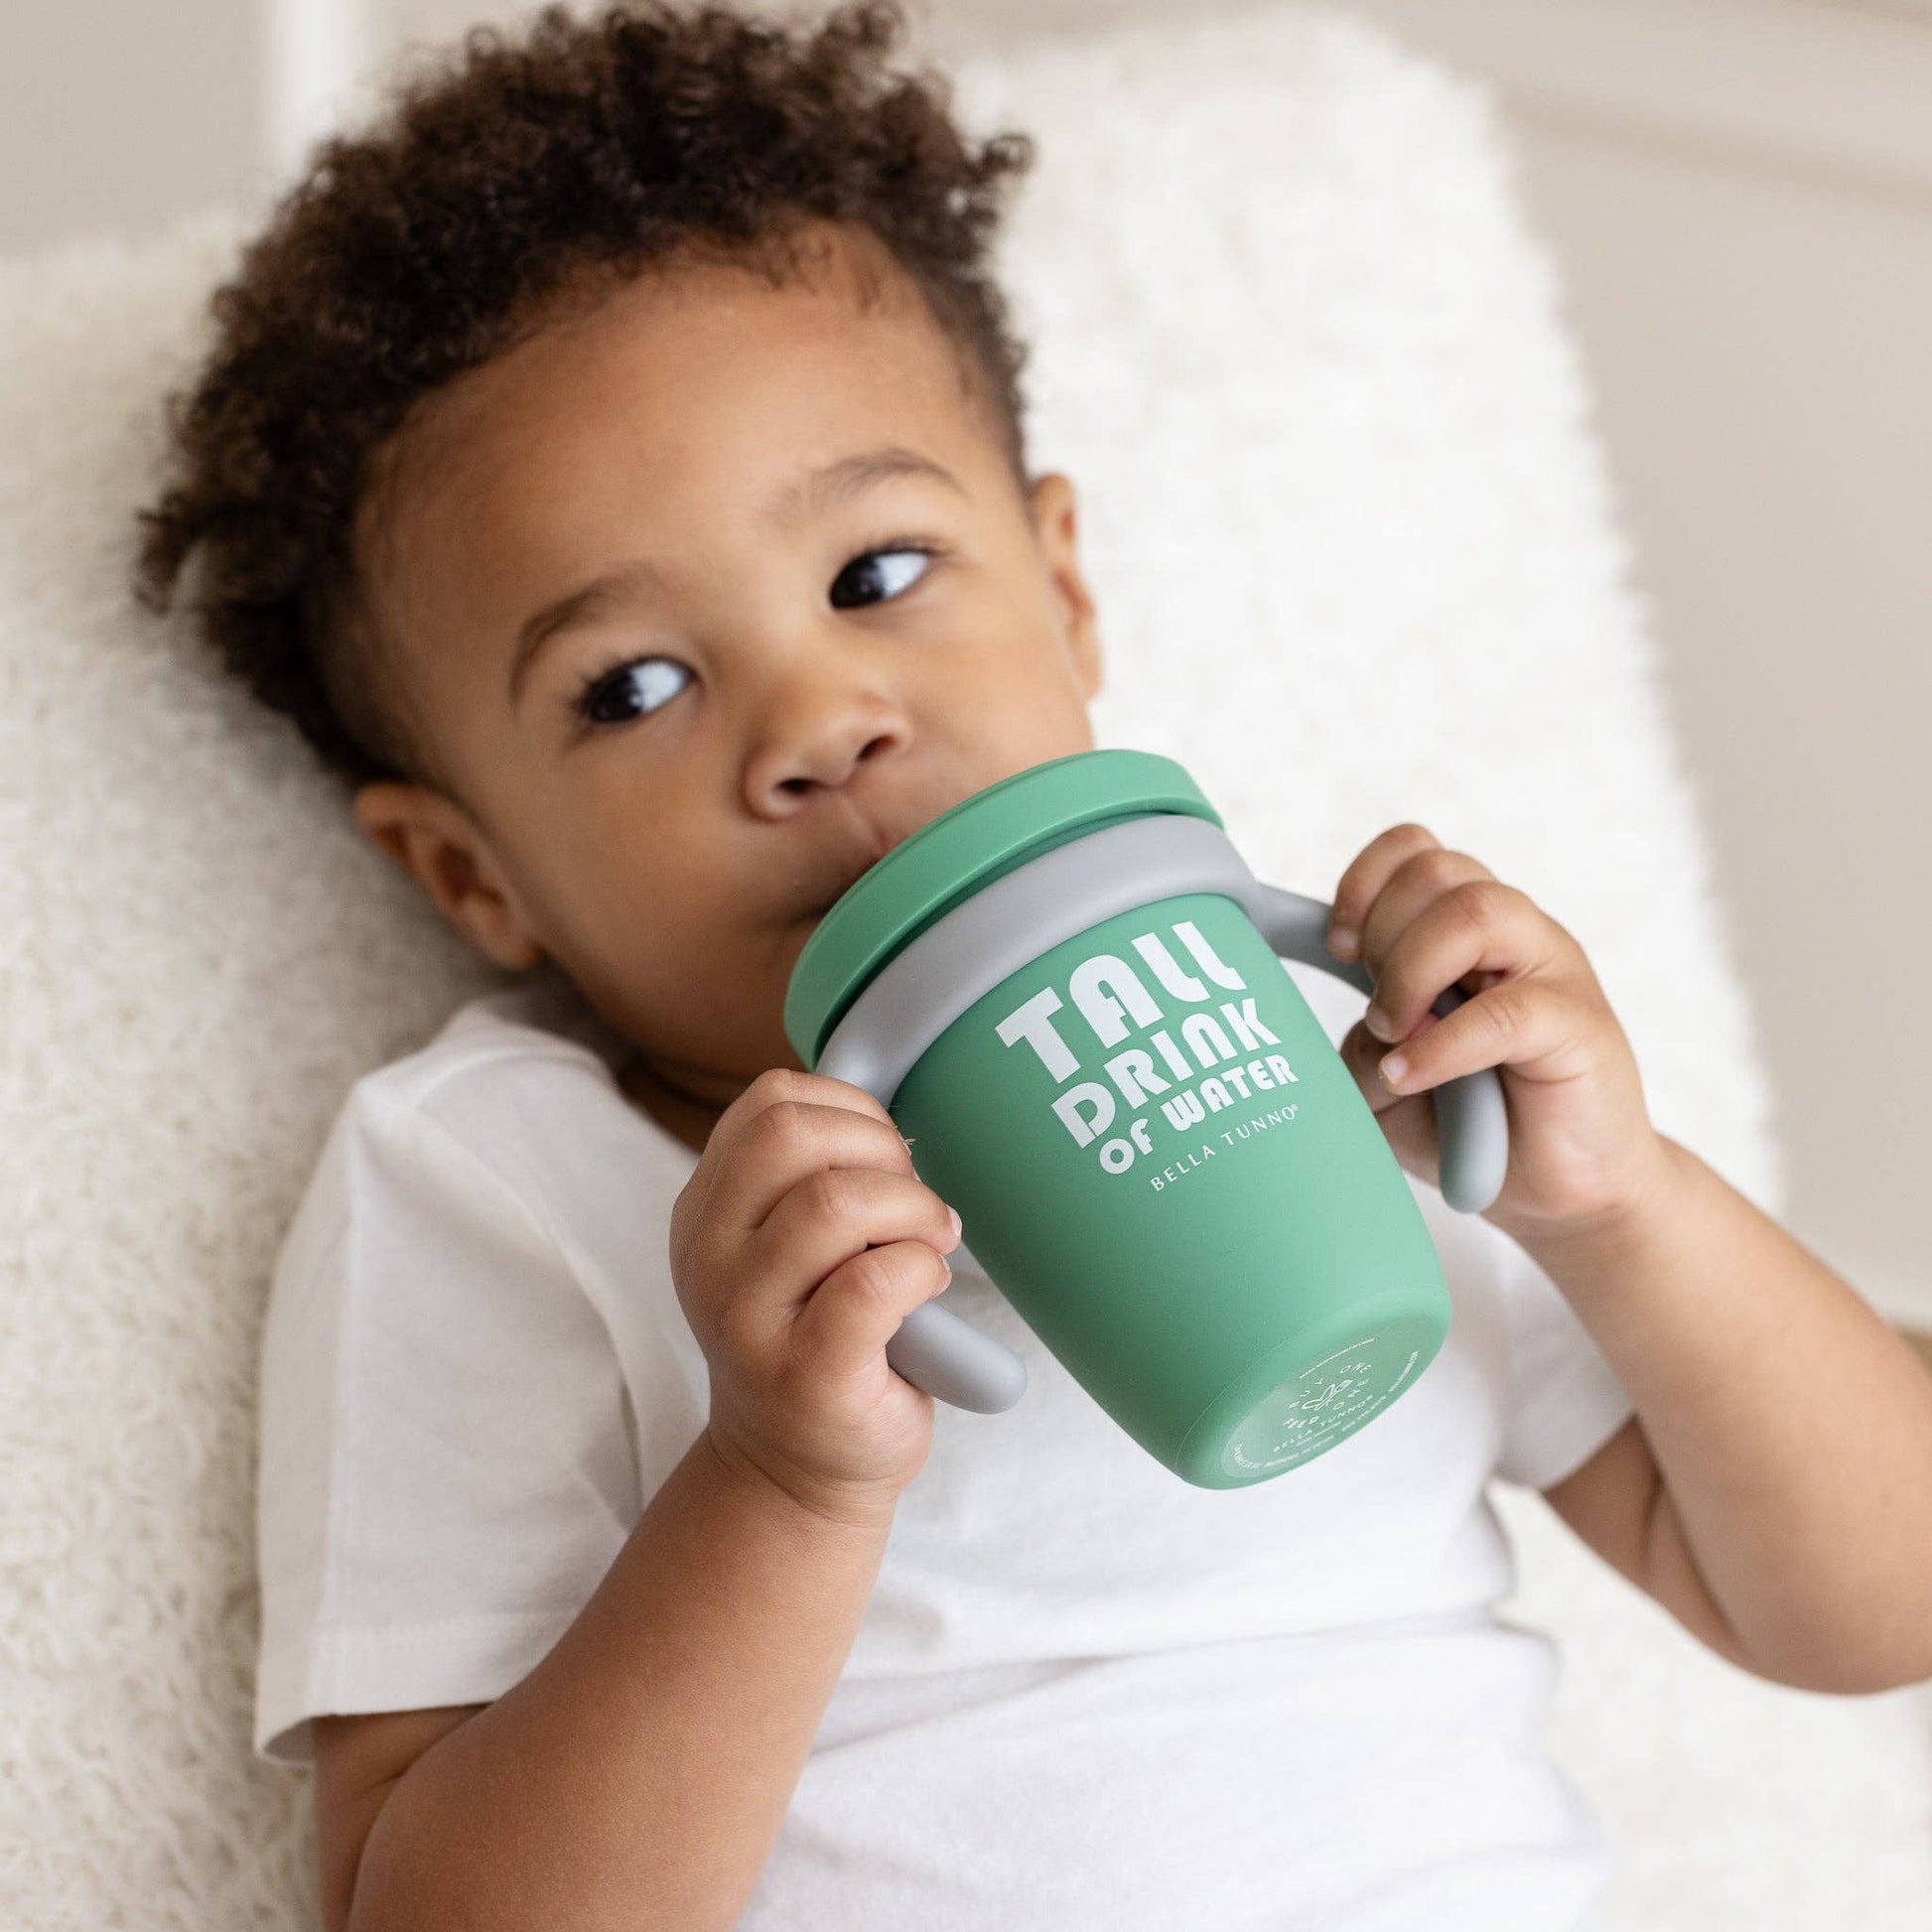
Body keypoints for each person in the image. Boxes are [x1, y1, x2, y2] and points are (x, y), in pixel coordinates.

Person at [130, 4, 1932, 1927]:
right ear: (470, 872)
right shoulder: (496, 1181)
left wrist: (1622, 1203)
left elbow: (1878, 1599)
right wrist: (779, 1481)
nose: (817, 721)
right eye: (631, 686)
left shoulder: (1333, 1038)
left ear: (1064, 590)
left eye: (874, 574)